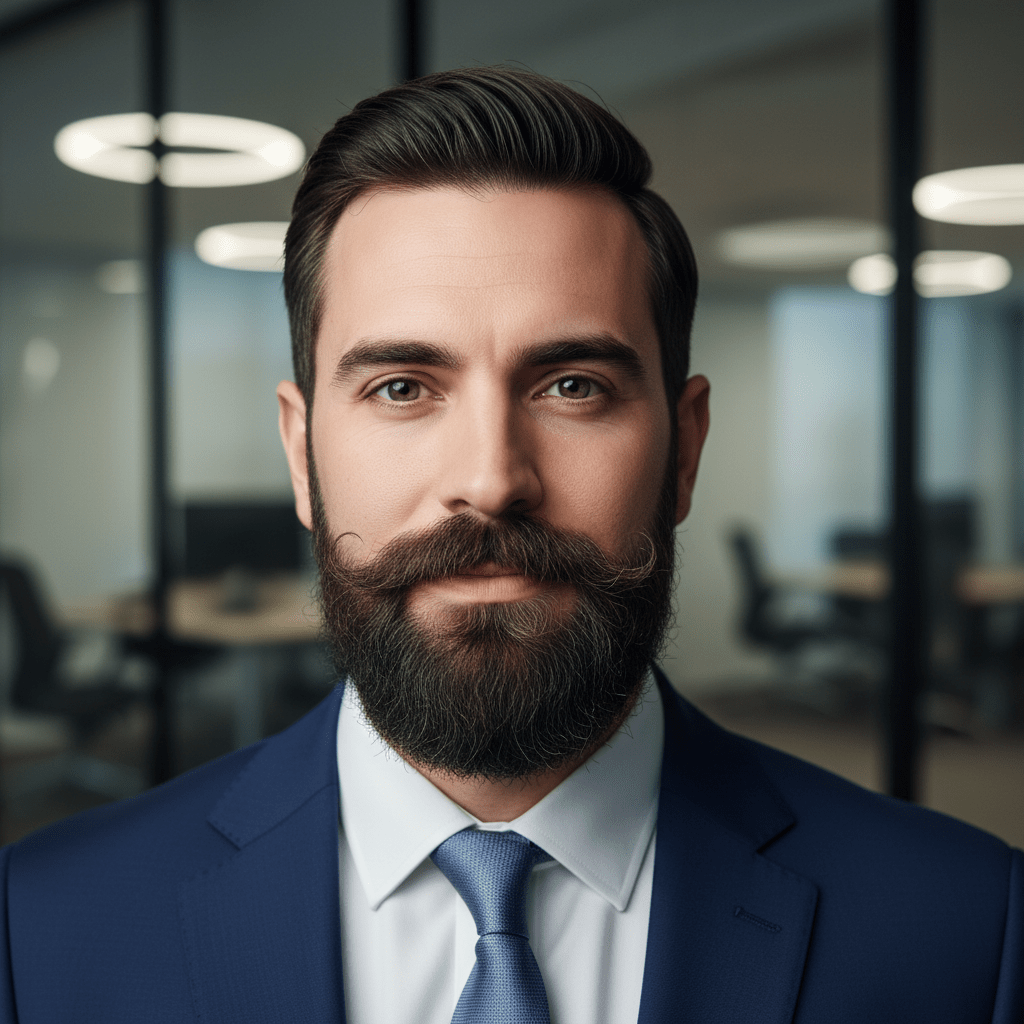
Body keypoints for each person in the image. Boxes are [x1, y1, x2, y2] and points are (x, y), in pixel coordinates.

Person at [0, 66, 1020, 1024]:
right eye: (401, 388)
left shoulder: (966, 929)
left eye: (572, 386)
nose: (490, 478)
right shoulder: (44, 926)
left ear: (683, 449)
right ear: (302, 456)